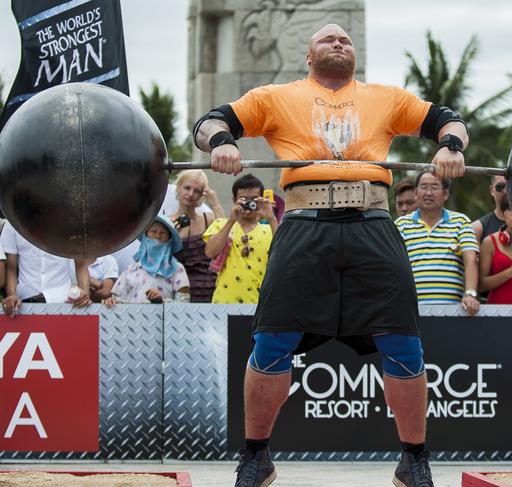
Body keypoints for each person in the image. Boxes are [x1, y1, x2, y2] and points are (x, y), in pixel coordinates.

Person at [193, 23, 468, 487]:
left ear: (354, 55)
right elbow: (208, 124)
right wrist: (222, 144)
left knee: (402, 341)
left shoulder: (387, 97)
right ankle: (257, 459)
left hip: (373, 224)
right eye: (327, 40)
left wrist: (451, 146)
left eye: (346, 40)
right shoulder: (273, 97)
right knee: (272, 341)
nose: (339, 43)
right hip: (304, 224)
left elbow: (448, 119)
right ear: (308, 55)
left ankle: (414, 461)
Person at [395, 171, 480, 314]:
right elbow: (393, 265)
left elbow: (471, 259)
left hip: (453, 310)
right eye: (423, 187)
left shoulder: (461, 222)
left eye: (434, 187)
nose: (428, 193)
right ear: (415, 193)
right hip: (411, 310)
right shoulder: (401, 224)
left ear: (445, 193)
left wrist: (470, 294)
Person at [203, 174, 276, 304]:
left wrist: (271, 218)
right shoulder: (221, 224)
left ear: (261, 200)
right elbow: (210, 252)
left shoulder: (269, 229)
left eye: (253, 200)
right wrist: (231, 220)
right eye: (243, 200)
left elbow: (285, 254)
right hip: (224, 302)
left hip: (260, 305)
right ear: (234, 200)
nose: (249, 204)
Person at [1, 221, 91, 317]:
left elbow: (81, 264)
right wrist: (12, 294)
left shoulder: (71, 222)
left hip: (63, 300)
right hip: (24, 302)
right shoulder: (13, 223)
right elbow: (11, 269)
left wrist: (85, 293)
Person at [103, 216, 189, 306]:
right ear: (146, 236)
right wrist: (111, 302)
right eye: (154, 231)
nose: (158, 236)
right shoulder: (130, 269)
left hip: (165, 319)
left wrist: (162, 301)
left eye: (163, 233)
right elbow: (117, 300)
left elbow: (184, 303)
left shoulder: (177, 268)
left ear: (169, 239)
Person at [170, 169, 220, 302]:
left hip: (211, 287)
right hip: (180, 290)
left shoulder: (207, 218)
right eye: (187, 188)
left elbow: (227, 234)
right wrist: (174, 236)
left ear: (201, 195)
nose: (191, 194)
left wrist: (214, 202)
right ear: (178, 187)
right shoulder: (167, 222)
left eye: (197, 191)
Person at [472, 175, 507, 243]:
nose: (505, 191)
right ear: (492, 190)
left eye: (510, 186)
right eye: (500, 186)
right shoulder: (478, 229)